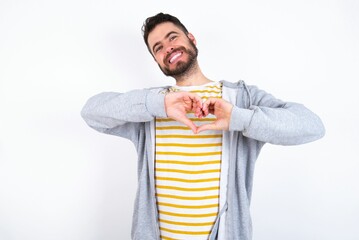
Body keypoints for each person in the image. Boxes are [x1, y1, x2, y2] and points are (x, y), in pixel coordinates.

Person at [81, 12, 325, 240]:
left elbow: (311, 126)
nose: (168, 48)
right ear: (157, 61)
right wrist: (160, 104)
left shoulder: (241, 98)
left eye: (172, 37)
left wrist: (239, 119)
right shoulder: (151, 107)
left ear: (191, 39)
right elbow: (92, 112)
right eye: (158, 48)